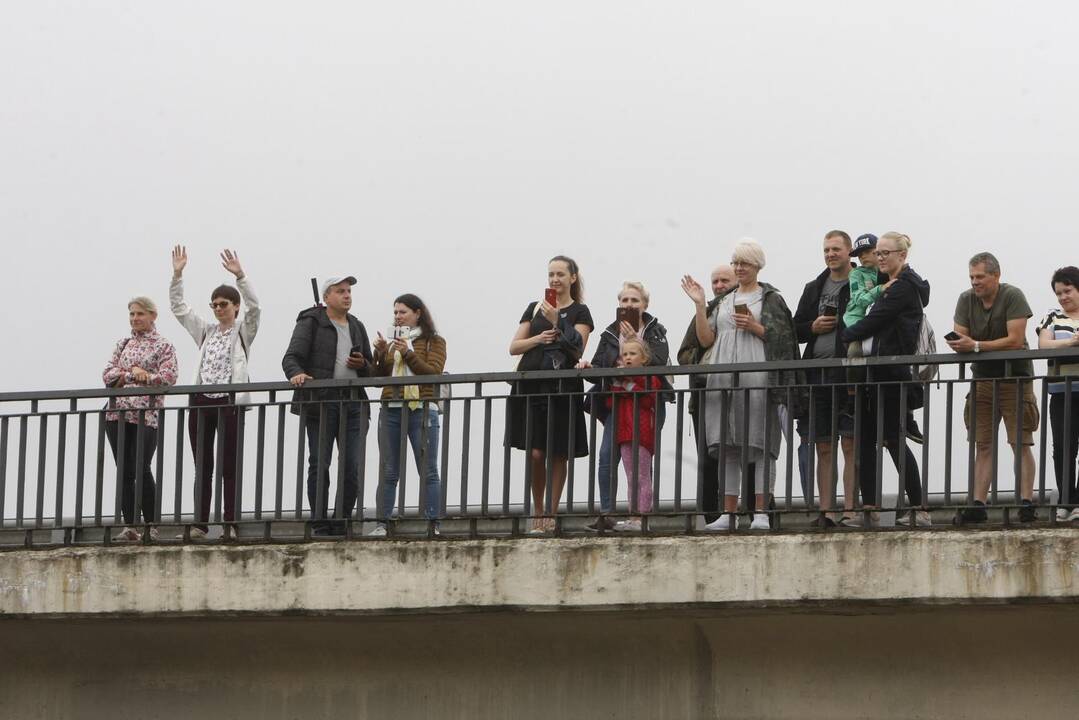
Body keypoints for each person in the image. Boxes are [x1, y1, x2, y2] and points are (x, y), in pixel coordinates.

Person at [682, 240, 799, 531]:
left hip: (757, 377)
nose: (738, 268)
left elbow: (786, 341)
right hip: (722, 378)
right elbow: (706, 340)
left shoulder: (770, 299)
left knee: (761, 445)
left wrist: (755, 327)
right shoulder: (722, 301)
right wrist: (699, 304)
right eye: (736, 262)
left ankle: (760, 512)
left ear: (757, 265)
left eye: (743, 263)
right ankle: (728, 513)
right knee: (727, 447)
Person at [169, 246, 260, 541]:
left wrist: (240, 277)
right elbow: (180, 309)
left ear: (234, 306)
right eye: (215, 305)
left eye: (224, 304)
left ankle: (231, 523)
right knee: (202, 466)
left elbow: (255, 309)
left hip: (228, 401)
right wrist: (178, 274)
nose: (219, 309)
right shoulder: (205, 332)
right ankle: (200, 523)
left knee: (229, 465)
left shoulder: (242, 331)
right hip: (201, 401)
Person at [841, 232, 931, 527]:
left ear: (902, 255)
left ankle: (918, 507)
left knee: (893, 439)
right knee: (867, 441)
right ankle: (869, 509)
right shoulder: (884, 283)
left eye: (885, 253)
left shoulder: (903, 287)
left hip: (892, 372)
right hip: (874, 370)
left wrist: (848, 333)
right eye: (877, 253)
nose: (879, 258)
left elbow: (874, 319)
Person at [947, 252, 1039, 524]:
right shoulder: (966, 299)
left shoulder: (1013, 295)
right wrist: (970, 344)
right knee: (982, 443)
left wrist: (976, 346)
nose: (975, 282)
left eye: (980, 277)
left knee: (1019, 442)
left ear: (996, 275)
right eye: (972, 277)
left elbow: (1015, 340)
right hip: (982, 380)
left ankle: (1026, 502)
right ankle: (978, 504)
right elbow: (959, 336)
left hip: (1015, 378)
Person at [507, 255, 593, 533]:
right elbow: (514, 347)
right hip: (532, 387)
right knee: (534, 453)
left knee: (558, 453)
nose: (555, 279)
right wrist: (538, 338)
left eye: (560, 274)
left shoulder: (580, 311)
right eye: (551, 274)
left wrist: (559, 321)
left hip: (562, 390)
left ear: (572, 277)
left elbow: (577, 348)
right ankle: (538, 509)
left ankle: (551, 513)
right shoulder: (534, 308)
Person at [282, 276, 373, 536]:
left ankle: (342, 520)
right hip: (321, 401)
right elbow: (291, 358)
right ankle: (320, 522)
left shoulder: (357, 325)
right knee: (319, 463)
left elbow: (371, 369)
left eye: (349, 291)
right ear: (327, 297)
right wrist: (297, 373)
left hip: (354, 402)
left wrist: (363, 365)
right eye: (340, 291)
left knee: (351, 466)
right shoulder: (311, 320)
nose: (347, 295)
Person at [578, 281, 670, 531]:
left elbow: (660, 363)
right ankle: (607, 513)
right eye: (625, 301)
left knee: (641, 460)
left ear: (645, 305)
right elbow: (598, 370)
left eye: (634, 301)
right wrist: (589, 367)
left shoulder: (655, 330)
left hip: (646, 404)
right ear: (619, 304)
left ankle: (640, 516)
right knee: (607, 456)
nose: (629, 305)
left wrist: (633, 340)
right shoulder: (609, 333)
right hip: (617, 405)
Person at [792, 230, 857, 526]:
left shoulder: (862, 283)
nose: (830, 254)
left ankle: (851, 511)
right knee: (823, 444)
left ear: (849, 251)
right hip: (816, 374)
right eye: (826, 250)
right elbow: (796, 329)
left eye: (835, 249)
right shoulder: (814, 287)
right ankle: (827, 512)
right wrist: (813, 327)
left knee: (850, 443)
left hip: (848, 372)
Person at [102, 296, 178, 542]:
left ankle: (152, 525)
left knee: (141, 467)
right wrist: (132, 375)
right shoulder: (123, 343)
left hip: (146, 415)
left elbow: (169, 376)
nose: (135, 319)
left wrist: (146, 376)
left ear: (152, 316)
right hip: (117, 413)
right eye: (132, 314)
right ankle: (130, 525)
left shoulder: (163, 345)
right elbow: (107, 374)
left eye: (140, 314)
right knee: (124, 469)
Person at [370, 294, 447, 536]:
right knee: (389, 470)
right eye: (395, 313)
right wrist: (382, 353)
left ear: (417, 313)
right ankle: (382, 523)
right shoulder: (394, 344)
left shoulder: (434, 341)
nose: (397, 316)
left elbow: (433, 373)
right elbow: (378, 377)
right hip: (392, 408)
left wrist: (408, 353)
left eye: (402, 312)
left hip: (422, 410)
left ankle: (432, 524)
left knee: (428, 470)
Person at [677, 265, 736, 524]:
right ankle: (710, 515)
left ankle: (747, 512)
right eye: (715, 281)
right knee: (708, 459)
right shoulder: (707, 309)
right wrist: (707, 360)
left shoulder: (750, 305)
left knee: (745, 454)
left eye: (725, 280)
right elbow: (684, 354)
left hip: (739, 391)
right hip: (704, 395)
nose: (719, 285)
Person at [604, 338, 664, 532]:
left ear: (644, 358)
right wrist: (616, 383)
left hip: (643, 433)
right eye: (625, 354)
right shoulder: (622, 380)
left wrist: (629, 387)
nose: (628, 358)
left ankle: (643, 516)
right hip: (624, 433)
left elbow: (649, 400)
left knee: (642, 476)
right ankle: (633, 515)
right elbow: (610, 404)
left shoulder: (649, 378)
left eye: (633, 354)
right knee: (631, 476)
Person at [1038, 266, 1079, 521]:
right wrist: (1071, 343)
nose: (1063, 297)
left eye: (1068, 291)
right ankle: (1066, 500)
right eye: (1059, 293)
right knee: (1064, 446)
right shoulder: (1052, 316)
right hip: (1062, 390)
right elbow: (1044, 344)